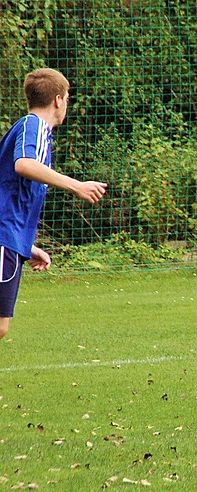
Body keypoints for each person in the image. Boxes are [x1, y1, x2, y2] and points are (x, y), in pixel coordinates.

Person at [0, 68, 108, 340]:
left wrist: (27, 245)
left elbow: (11, 193)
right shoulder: (33, 125)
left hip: (9, 238)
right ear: (58, 100)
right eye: (68, 97)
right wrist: (77, 185)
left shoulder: (37, 133)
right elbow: (24, 165)